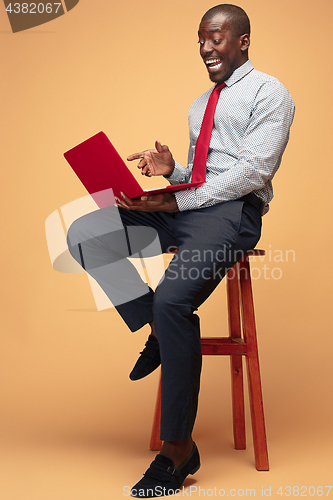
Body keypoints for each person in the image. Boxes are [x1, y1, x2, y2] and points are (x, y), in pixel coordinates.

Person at [67, 4, 295, 497]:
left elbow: (251, 173)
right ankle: (158, 328)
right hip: (188, 206)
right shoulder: (199, 104)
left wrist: (179, 196)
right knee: (84, 233)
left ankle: (176, 450)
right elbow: (204, 171)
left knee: (175, 302)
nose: (206, 48)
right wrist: (170, 172)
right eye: (201, 39)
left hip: (232, 215)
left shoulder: (270, 93)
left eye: (216, 37)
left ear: (242, 41)